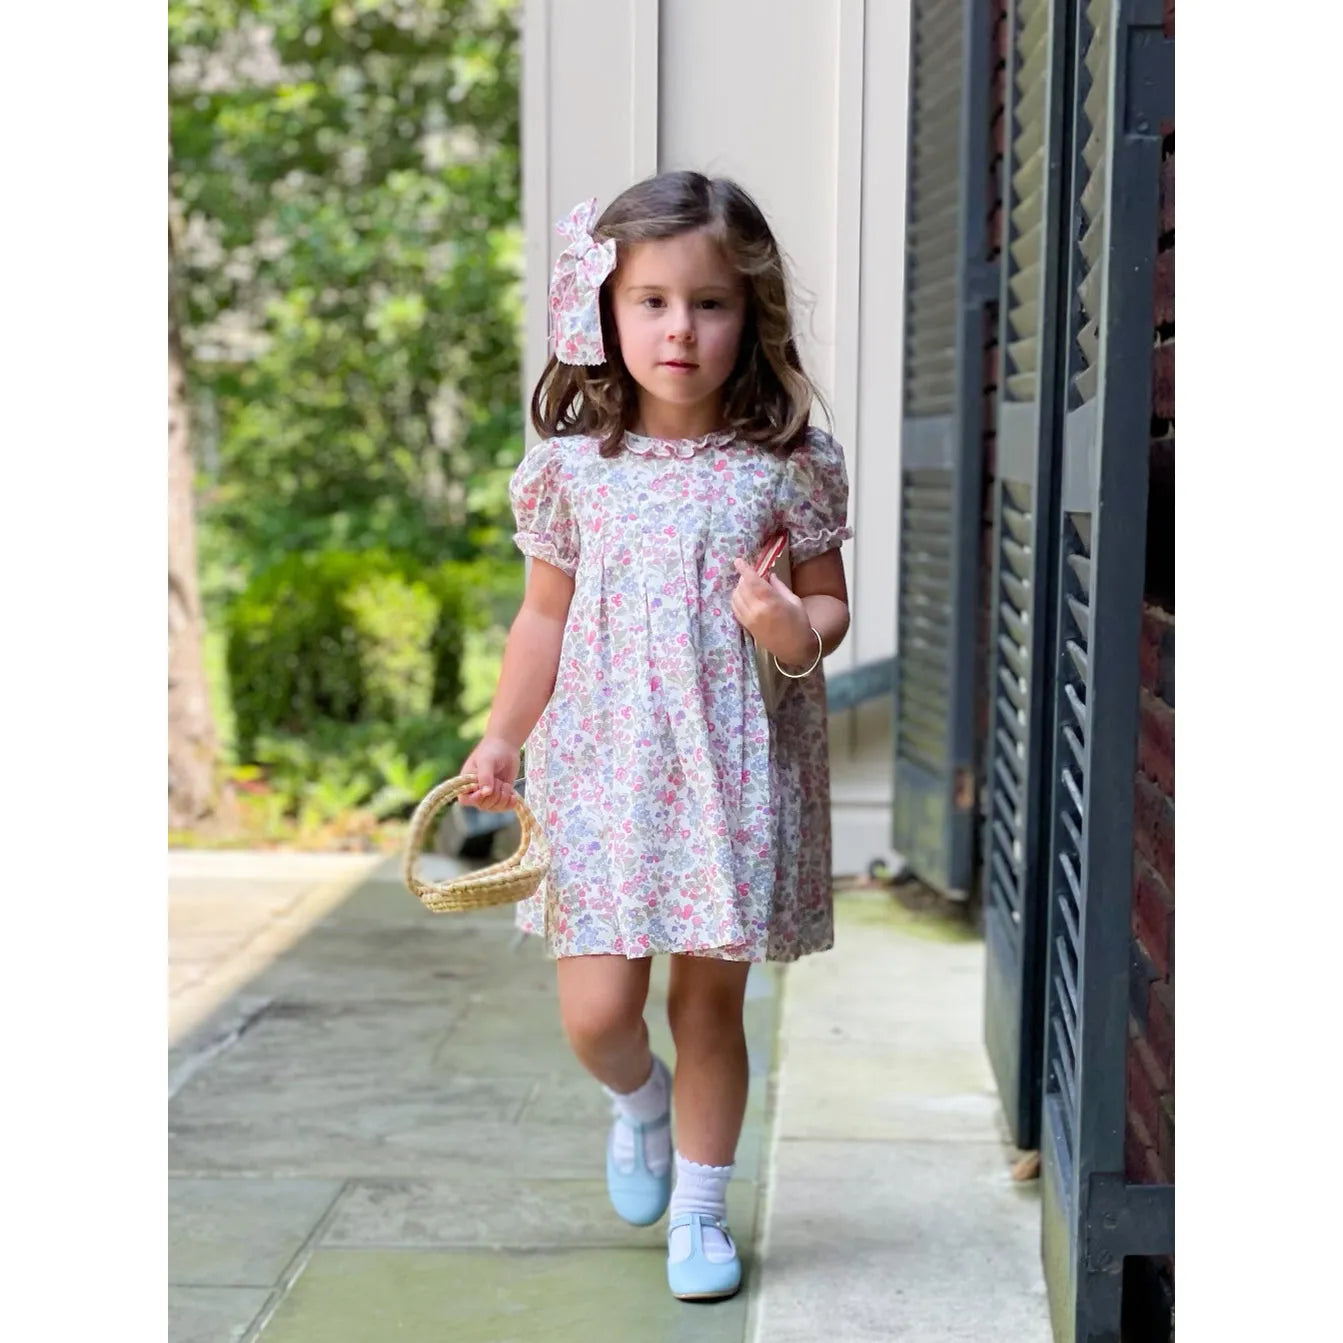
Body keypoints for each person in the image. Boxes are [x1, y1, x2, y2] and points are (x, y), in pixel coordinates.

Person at [461, 170, 852, 1302]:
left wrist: (788, 626)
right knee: (597, 1013)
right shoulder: (570, 469)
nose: (680, 328)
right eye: (652, 301)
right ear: (605, 311)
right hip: (598, 765)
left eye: (709, 303)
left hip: (731, 764)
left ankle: (701, 1210)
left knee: (707, 1003)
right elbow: (543, 618)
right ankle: (637, 1101)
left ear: (749, 314)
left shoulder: (787, 462)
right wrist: (501, 737)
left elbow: (827, 604)